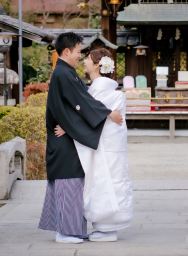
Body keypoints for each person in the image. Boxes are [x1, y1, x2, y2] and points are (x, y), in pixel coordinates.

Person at [37, 33, 124, 244]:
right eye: (78, 51)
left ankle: (72, 230)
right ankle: (64, 233)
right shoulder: (63, 73)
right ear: (67, 51)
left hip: (68, 137)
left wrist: (69, 126)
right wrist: (108, 113)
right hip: (63, 141)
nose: (80, 56)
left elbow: (81, 101)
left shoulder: (66, 72)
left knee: (74, 185)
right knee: (68, 184)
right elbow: (82, 102)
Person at [54, 48, 133, 242]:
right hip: (103, 146)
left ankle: (108, 228)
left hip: (107, 147)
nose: (84, 61)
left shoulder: (109, 93)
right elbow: (88, 111)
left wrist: (68, 127)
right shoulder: (96, 90)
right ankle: (104, 228)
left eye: (88, 58)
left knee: (106, 182)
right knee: (102, 183)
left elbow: (88, 113)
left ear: (97, 65)